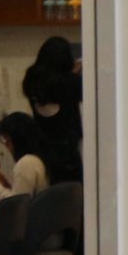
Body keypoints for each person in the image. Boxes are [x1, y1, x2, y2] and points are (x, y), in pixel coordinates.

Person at [23, 35, 83, 183]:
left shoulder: (31, 78)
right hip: (69, 148)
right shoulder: (71, 81)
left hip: (41, 144)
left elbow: (53, 85)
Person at [0, 111, 50, 199]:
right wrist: (6, 185)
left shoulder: (27, 163)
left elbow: (16, 203)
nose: (6, 145)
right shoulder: (40, 157)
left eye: (7, 140)